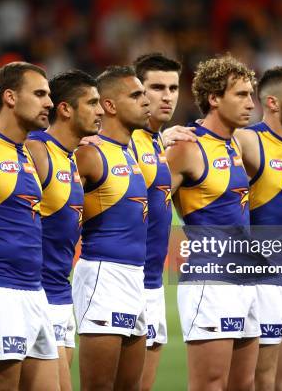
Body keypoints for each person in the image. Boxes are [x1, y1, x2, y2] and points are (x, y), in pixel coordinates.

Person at [165, 55, 261, 390]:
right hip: (211, 281)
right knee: (211, 384)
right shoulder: (187, 147)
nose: (251, 103)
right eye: (241, 95)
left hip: (245, 278)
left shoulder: (235, 143)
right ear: (214, 99)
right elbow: (152, 201)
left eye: (251, 94)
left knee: (243, 385)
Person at [0, 62, 59, 390]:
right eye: (39, 94)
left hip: (34, 292)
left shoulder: (28, 155)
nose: (49, 102)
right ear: (10, 97)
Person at [234, 67, 282, 391]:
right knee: (260, 382)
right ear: (273, 103)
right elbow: (210, 141)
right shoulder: (251, 140)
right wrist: (173, 135)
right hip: (263, 282)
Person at [25, 69, 103, 391]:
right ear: (66, 109)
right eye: (93, 103)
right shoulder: (36, 150)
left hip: (61, 293)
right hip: (36, 293)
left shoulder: (71, 157)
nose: (100, 111)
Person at [73, 65, 150, 390]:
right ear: (109, 105)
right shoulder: (89, 153)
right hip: (104, 276)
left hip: (135, 276)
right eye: (136, 95)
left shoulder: (129, 151)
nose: (146, 101)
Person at [129, 53, 180, 391]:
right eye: (156, 87)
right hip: (125, 280)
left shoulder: (154, 141)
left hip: (153, 281)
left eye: (173, 87)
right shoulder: (122, 140)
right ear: (137, 92)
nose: (167, 96)